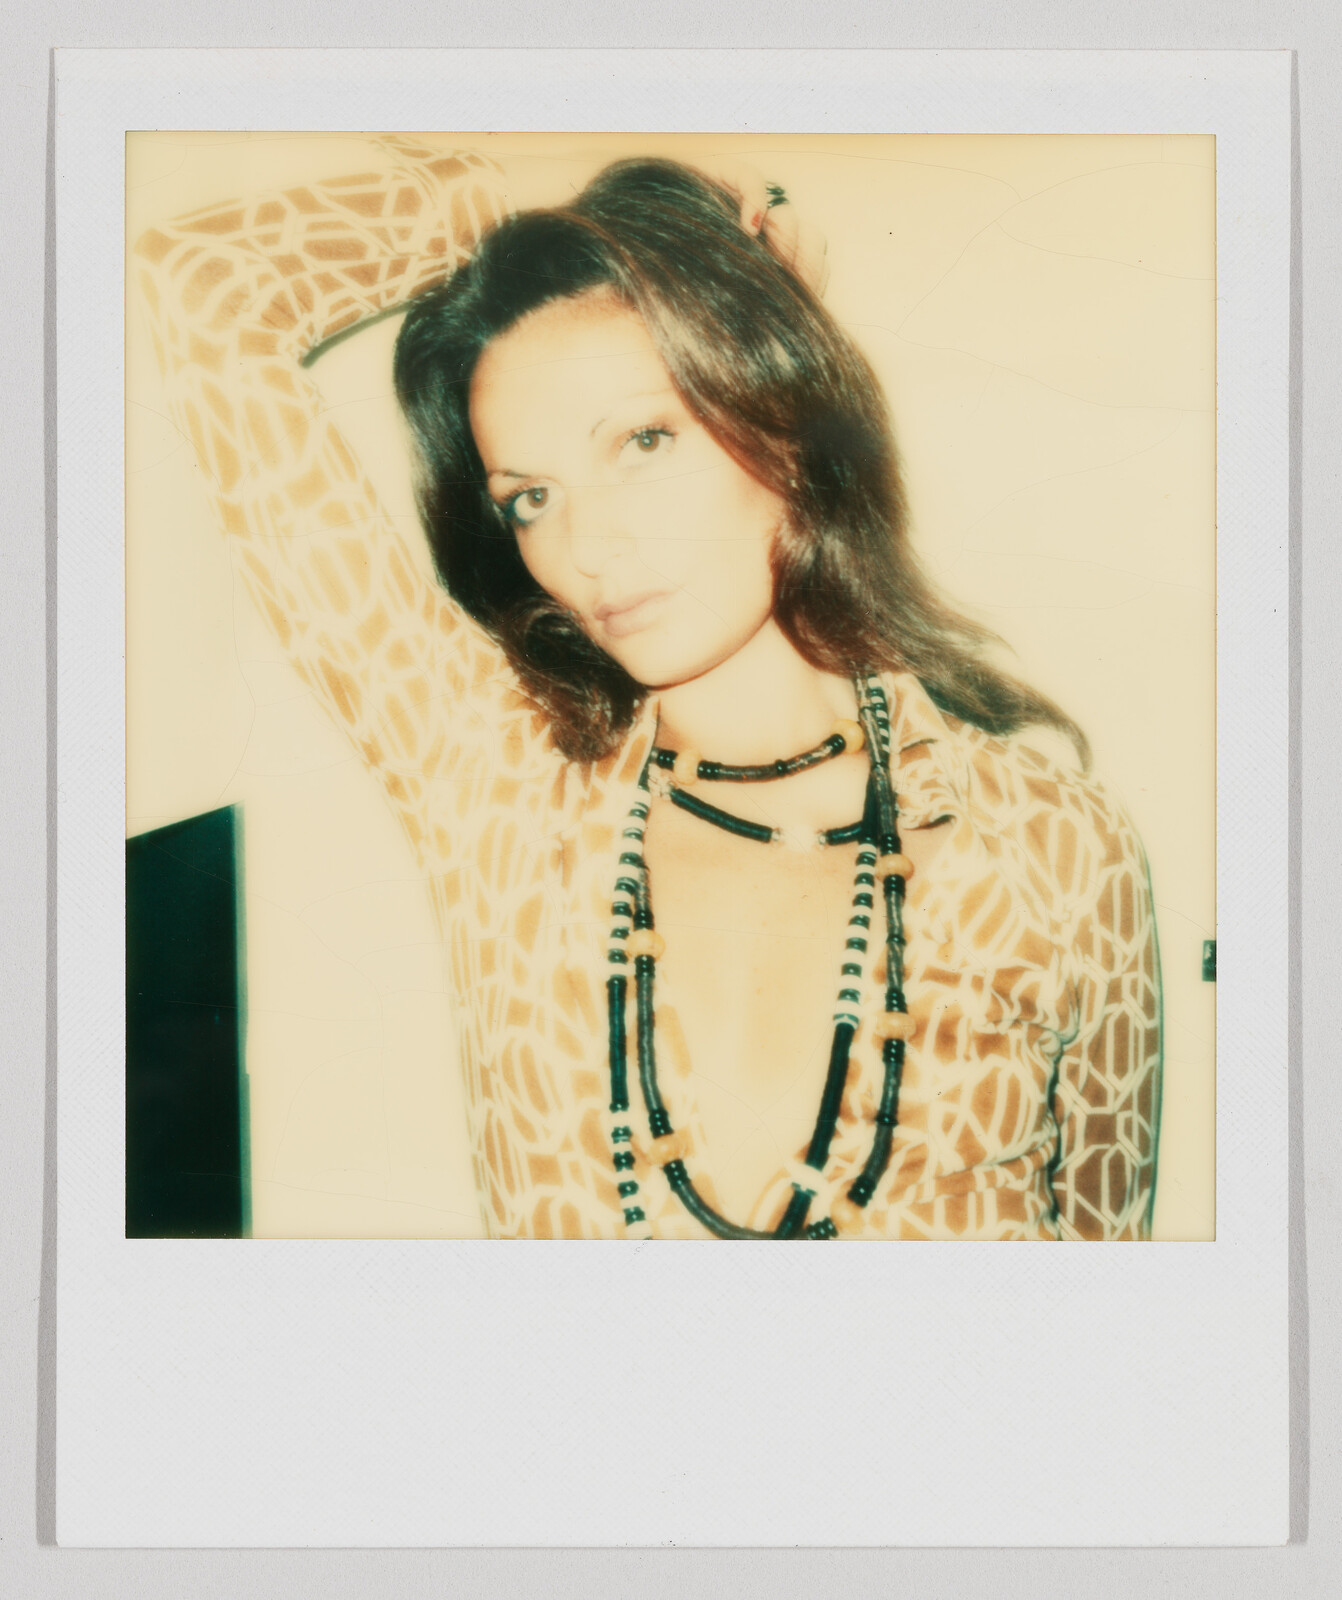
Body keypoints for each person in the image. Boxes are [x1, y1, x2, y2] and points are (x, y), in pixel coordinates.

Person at [134, 135, 1162, 1240]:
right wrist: (569, 188)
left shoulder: (1052, 848)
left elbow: (1104, 1304)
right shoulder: (493, 785)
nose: (587, 547)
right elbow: (203, 291)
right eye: (529, 496)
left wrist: (684, 234)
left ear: (780, 405)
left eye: (640, 439)